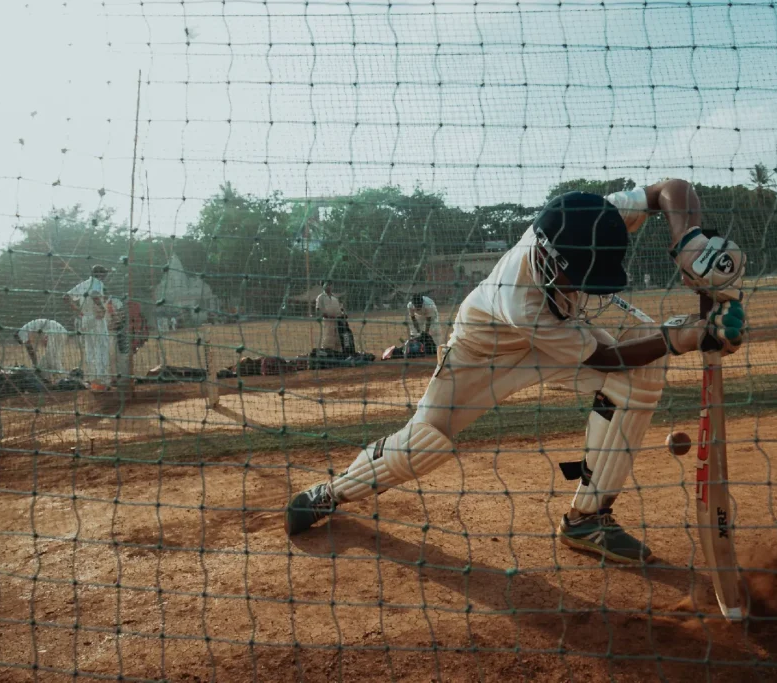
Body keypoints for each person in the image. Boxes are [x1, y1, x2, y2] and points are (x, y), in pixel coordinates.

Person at [286, 182, 747, 565]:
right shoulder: (521, 299)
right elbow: (601, 360)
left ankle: (588, 519)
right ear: (548, 262)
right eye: (579, 280)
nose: (586, 289)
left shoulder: (589, 217)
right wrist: (682, 338)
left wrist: (689, 242)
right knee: (424, 444)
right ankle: (330, 492)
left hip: (557, 338)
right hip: (481, 355)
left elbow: (671, 189)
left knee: (642, 375)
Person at [65, 265, 111, 390]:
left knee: (90, 348)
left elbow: (66, 297)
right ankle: (101, 380)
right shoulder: (97, 282)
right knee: (101, 347)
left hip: (85, 319)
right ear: (100, 274)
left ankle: (92, 379)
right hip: (96, 318)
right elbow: (94, 294)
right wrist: (101, 307)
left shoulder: (83, 284)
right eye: (104, 274)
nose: (105, 276)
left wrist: (78, 311)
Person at [315, 281, 345, 351]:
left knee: (339, 339)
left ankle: (338, 355)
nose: (329, 287)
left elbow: (341, 308)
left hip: (338, 322)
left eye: (330, 285)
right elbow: (318, 311)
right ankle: (327, 355)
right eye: (327, 285)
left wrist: (343, 314)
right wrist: (329, 316)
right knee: (328, 339)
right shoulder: (320, 297)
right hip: (328, 322)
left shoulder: (335, 297)